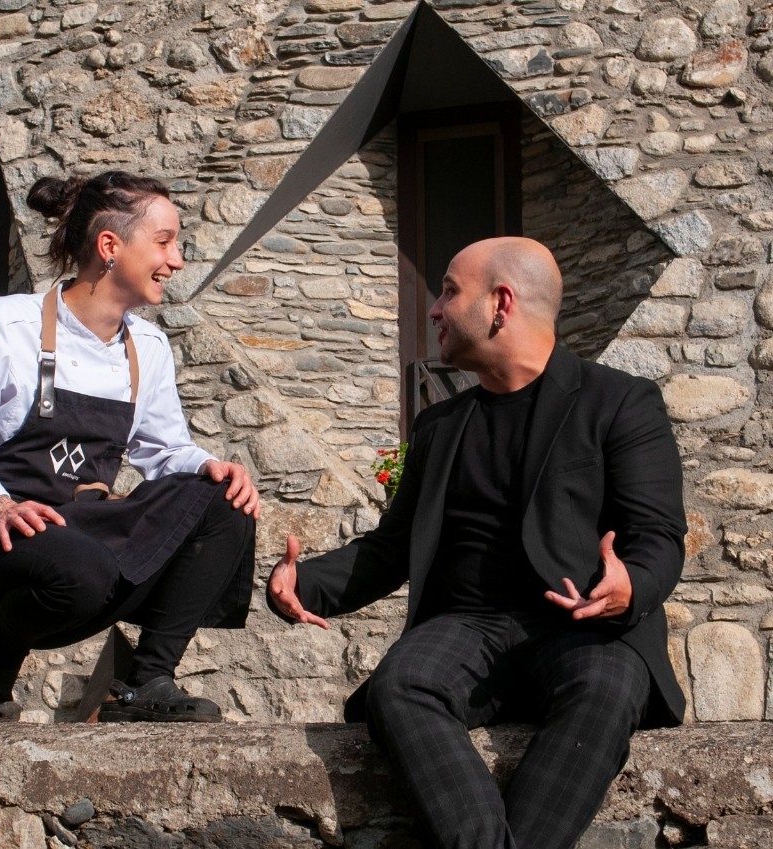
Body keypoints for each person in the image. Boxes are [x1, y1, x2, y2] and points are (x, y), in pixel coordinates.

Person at [268, 237, 686, 849]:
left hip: (580, 626)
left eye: (448, 291)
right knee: (398, 686)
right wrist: (302, 583)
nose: (434, 310)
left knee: (609, 690)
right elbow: (392, 548)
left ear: (501, 303)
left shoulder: (618, 402)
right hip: (465, 625)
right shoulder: (440, 425)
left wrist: (631, 587)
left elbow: (658, 536)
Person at [0, 171, 259, 724]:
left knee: (223, 504)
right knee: (81, 564)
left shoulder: (148, 346)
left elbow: (166, 453)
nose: (177, 260)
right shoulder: (5, 323)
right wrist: (0, 505)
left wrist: (211, 466)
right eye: (165, 241)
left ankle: (146, 684)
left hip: (82, 534)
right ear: (110, 246)